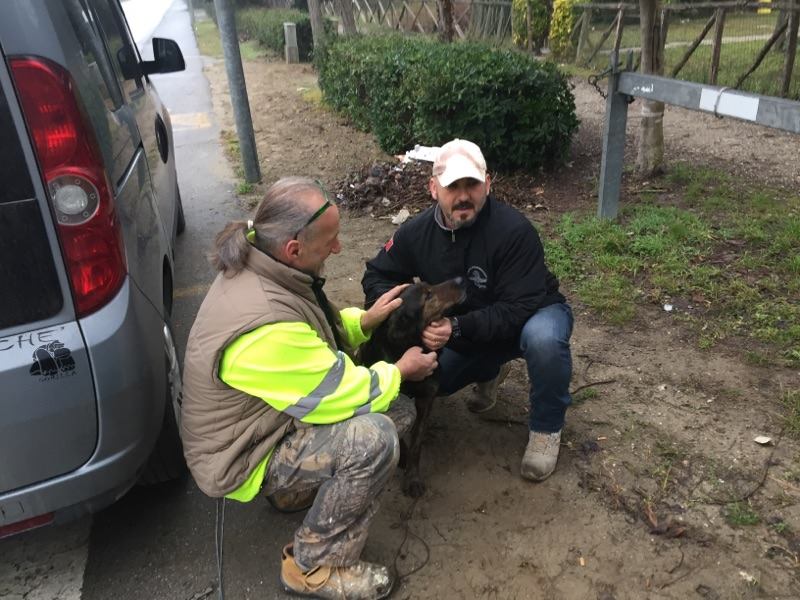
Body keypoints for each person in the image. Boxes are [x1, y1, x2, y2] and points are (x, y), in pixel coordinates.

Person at [180, 177, 438, 600]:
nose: (337, 249)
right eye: (331, 241)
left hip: (261, 419)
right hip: (241, 452)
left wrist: (364, 321)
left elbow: (314, 336)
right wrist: (402, 369)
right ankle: (314, 565)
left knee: (400, 412)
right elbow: (340, 389)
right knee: (374, 438)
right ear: (294, 249)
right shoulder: (264, 324)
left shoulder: (267, 265)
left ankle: (295, 491)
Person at [362, 139, 574, 482]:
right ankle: (488, 370)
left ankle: (546, 429)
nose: (463, 195)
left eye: (472, 184)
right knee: (434, 381)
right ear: (434, 189)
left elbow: (519, 307)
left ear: (487, 183)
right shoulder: (415, 233)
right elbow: (378, 274)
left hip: (529, 315)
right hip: (467, 328)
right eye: (453, 187)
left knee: (544, 340)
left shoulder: (514, 231)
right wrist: (400, 310)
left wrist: (457, 328)